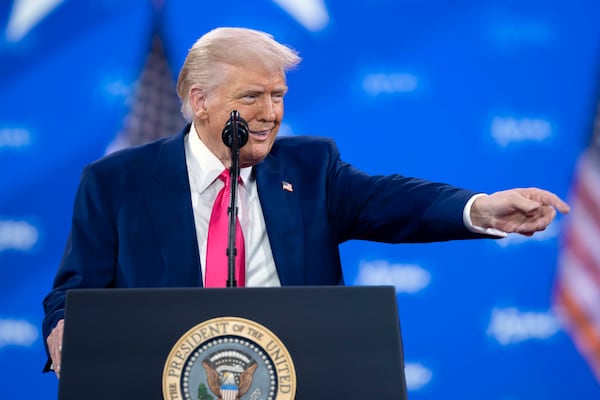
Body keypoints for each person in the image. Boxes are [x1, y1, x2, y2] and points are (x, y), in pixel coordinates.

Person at [42, 27, 570, 377]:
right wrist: (65, 326)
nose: (270, 113)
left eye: (278, 96)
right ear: (199, 102)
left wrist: (478, 209)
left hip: (300, 378)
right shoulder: (118, 182)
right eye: (252, 97)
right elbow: (73, 293)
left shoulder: (310, 167)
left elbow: (392, 199)